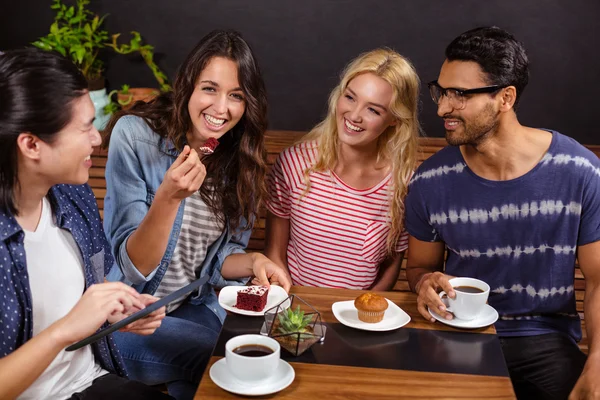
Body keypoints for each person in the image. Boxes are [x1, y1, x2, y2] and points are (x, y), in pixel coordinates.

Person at [405, 27, 600, 400]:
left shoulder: (580, 171)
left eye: (460, 94)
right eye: (442, 91)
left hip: (545, 339)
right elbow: (418, 271)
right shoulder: (430, 181)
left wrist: (598, 360)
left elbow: (599, 279)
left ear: (505, 97)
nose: (443, 107)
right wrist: (425, 282)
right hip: (460, 333)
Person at [102, 30, 291, 399]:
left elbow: (217, 262)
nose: (221, 109)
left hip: (193, 306)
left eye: (236, 95)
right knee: (223, 356)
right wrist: (168, 198)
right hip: (128, 316)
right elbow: (130, 264)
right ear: (187, 85)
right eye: (209, 89)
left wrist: (254, 260)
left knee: (248, 345)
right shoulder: (136, 136)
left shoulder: (241, 160)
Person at [0, 48, 170, 399]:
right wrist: (65, 330)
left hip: (88, 381)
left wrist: (118, 311)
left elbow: (94, 285)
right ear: (31, 144)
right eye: (85, 127)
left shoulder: (73, 198)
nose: (97, 138)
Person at [264, 48, 419, 290]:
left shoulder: (404, 184)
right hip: (294, 310)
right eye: (350, 97)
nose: (354, 115)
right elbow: (274, 253)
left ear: (395, 120)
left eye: (373, 110)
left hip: (358, 317)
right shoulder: (294, 163)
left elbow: (392, 265)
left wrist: (363, 313)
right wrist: (295, 311)